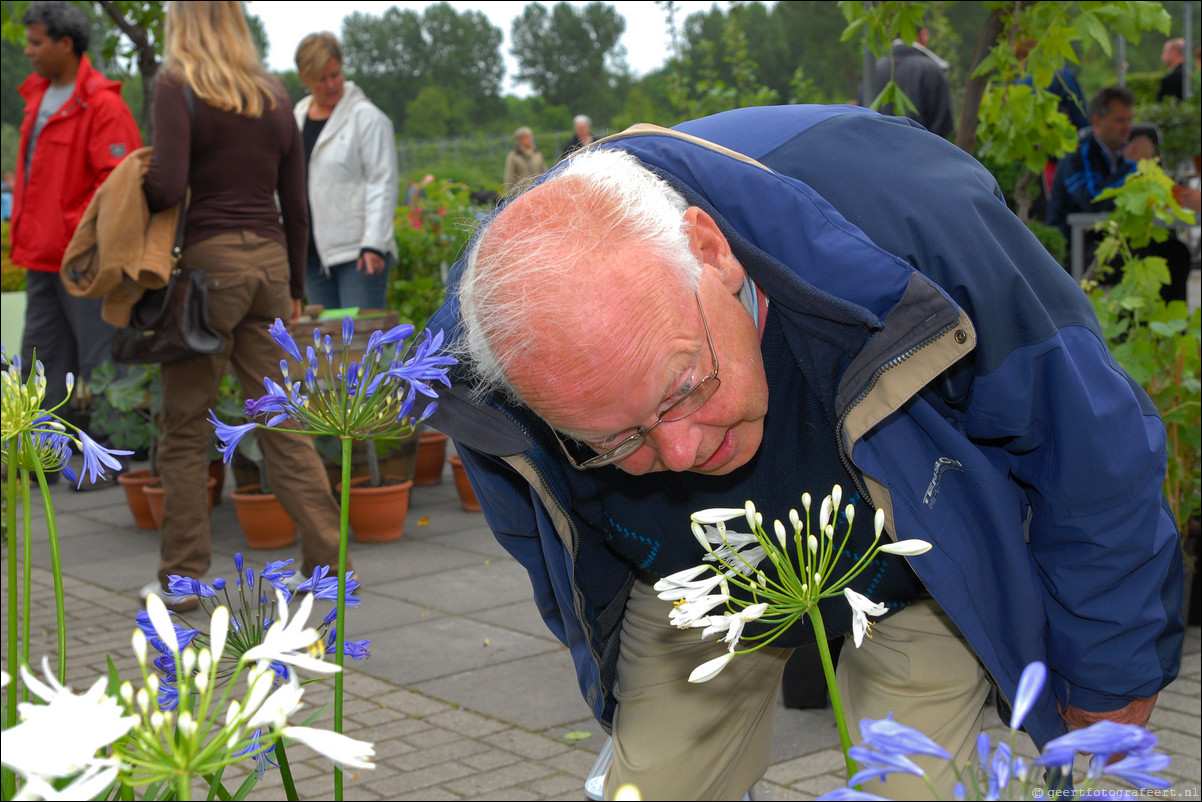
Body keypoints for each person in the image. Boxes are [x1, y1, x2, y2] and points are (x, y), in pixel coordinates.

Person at [425, 105, 1183, 800]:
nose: (683, 451)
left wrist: (1110, 665)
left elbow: (1089, 446)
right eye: (616, 440)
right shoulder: (490, 359)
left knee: (914, 789)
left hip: (915, 562)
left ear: (711, 252)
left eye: (685, 386)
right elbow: (546, 541)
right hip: (690, 579)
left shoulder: (911, 217)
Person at [142, 1, 346, 610]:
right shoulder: (274, 94)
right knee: (283, 423)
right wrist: (296, 284)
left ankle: (182, 582)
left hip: (210, 274)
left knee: (184, 431)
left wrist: (138, 174)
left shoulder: (178, 84)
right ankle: (330, 567)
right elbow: (296, 201)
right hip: (270, 271)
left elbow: (167, 186)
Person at [12, 1, 141, 454]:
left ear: (65, 44)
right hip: (40, 258)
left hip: (84, 261)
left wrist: (78, 236)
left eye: (35, 42)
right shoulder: (37, 98)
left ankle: (105, 456)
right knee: (41, 360)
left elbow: (121, 182)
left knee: (100, 358)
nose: (28, 51)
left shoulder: (103, 105)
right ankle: (45, 455)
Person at [1046, 86, 1191, 300]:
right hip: (1079, 244)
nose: (1127, 128)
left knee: (1177, 252)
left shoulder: (1126, 153)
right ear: (1097, 121)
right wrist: (1131, 165)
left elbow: (1158, 197)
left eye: (1129, 120)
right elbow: (1093, 202)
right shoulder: (1077, 153)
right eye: (1119, 121)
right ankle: (1128, 330)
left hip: (1122, 240)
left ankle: (1170, 328)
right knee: (1138, 259)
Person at [293, 32, 398, 312]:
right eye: (320, 79)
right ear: (304, 78)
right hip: (313, 257)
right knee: (326, 351)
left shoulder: (367, 118)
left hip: (359, 256)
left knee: (362, 348)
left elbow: (382, 183)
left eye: (335, 74)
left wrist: (374, 244)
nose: (330, 85)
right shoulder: (296, 119)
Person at [869, 25, 954, 139]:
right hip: (922, 151)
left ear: (894, 35)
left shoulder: (873, 70)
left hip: (877, 149)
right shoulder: (931, 69)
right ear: (923, 34)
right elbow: (943, 125)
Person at [502, 126, 547, 194]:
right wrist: (509, 194)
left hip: (538, 191)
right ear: (519, 140)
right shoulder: (513, 156)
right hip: (522, 193)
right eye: (525, 137)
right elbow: (509, 178)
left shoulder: (537, 153)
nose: (528, 139)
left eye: (529, 137)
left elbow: (544, 171)